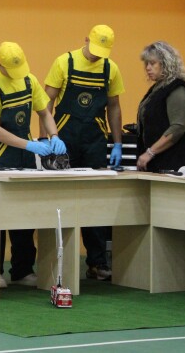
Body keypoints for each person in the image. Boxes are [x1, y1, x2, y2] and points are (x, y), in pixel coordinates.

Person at [0, 42, 67, 289]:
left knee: (25, 213)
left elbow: (44, 112)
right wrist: (29, 145)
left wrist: (53, 136)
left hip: (25, 156)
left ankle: (23, 270)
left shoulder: (29, 80)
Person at [40, 25, 124, 281]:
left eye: (102, 52)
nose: (97, 55)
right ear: (86, 40)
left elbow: (114, 107)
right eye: (94, 49)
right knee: (61, 201)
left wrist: (117, 142)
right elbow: (46, 104)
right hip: (64, 140)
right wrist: (45, 139)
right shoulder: (64, 63)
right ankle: (57, 264)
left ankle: (97, 263)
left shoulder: (110, 69)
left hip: (95, 141)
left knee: (94, 202)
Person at [136, 41, 185, 172]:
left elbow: (177, 128)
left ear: (166, 64)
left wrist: (150, 153)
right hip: (159, 164)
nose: (147, 68)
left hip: (175, 166)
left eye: (152, 63)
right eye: (146, 64)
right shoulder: (159, 88)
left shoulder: (177, 89)